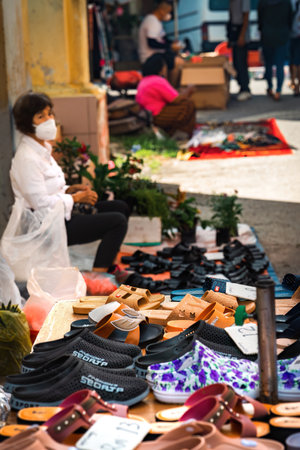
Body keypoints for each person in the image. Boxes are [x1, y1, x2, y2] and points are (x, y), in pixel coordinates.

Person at [10, 91, 130, 282]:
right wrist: (75, 199)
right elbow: (40, 203)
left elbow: (50, 189)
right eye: (41, 116)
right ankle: (97, 279)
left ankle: (108, 266)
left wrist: (69, 190)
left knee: (120, 207)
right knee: (117, 221)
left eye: (49, 114)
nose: (49, 120)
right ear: (27, 124)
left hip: (63, 213)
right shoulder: (27, 158)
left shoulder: (43, 150)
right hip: (48, 225)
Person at [136, 53, 196, 137]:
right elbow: (176, 99)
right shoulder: (157, 80)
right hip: (156, 116)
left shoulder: (145, 80)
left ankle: (175, 132)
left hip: (147, 114)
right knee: (188, 104)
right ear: (160, 68)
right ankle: (183, 133)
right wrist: (188, 90)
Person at [138, 0, 184, 87]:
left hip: (156, 55)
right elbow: (152, 42)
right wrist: (170, 46)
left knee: (177, 60)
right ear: (162, 11)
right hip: (149, 57)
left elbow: (163, 39)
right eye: (168, 12)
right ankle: (171, 89)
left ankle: (171, 88)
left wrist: (172, 44)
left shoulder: (157, 22)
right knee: (177, 62)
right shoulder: (152, 21)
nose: (169, 15)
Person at [258, 0, 293, 100]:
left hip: (267, 35)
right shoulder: (286, 2)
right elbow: (290, 19)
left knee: (268, 64)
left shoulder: (263, 2)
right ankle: (278, 90)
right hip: (282, 36)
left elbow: (260, 20)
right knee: (279, 65)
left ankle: (269, 87)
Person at [228, 0, 251, 101]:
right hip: (234, 31)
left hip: (241, 32)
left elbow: (246, 16)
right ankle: (241, 86)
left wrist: (242, 36)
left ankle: (245, 89)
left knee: (241, 62)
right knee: (236, 63)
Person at [290, 0, 300, 96]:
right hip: (293, 35)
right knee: (296, 62)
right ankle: (295, 85)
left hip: (292, 34)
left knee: (295, 62)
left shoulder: (291, 2)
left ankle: (295, 85)